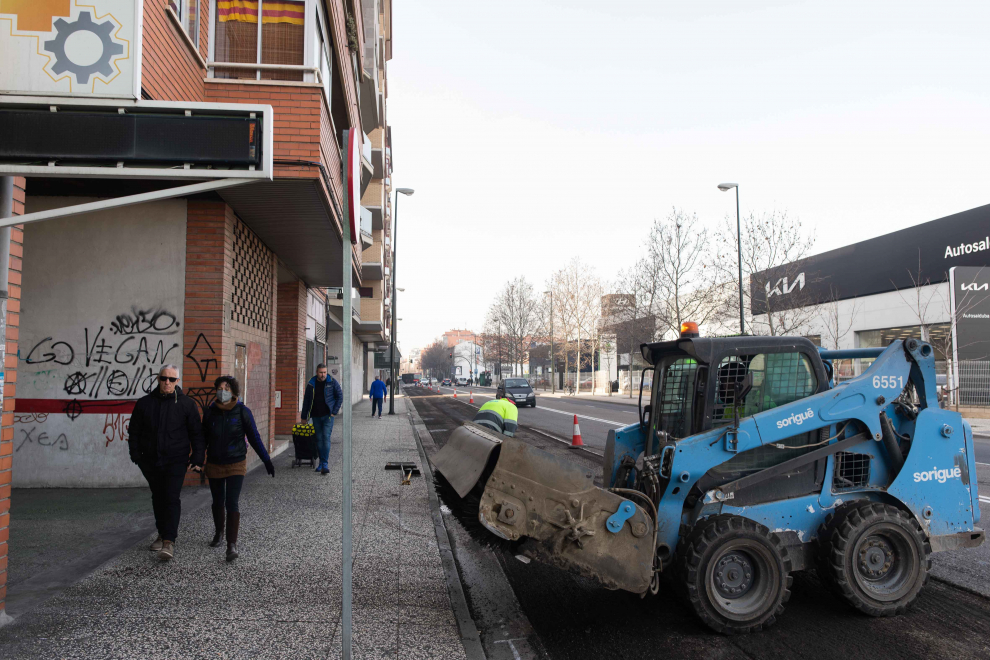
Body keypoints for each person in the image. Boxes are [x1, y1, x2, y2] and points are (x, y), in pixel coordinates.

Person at [128, 364, 205, 561]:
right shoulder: (145, 403)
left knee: (171, 497)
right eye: (164, 378)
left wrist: (197, 457)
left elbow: (196, 433)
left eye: (172, 379)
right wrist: (136, 455)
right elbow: (134, 430)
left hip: (176, 461)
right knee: (158, 497)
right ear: (158, 379)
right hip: (150, 460)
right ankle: (162, 533)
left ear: (178, 382)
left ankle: (169, 541)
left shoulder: (187, 404)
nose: (167, 383)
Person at [202, 375, 275, 562]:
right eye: (219, 388)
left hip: (236, 463)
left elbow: (254, 437)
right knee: (217, 500)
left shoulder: (243, 411)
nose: (222, 391)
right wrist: (197, 459)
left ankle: (231, 545)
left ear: (234, 391)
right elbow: (202, 438)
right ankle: (219, 532)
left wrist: (266, 460)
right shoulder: (210, 412)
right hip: (215, 463)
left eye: (226, 388)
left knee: (231, 502)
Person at [301, 363, 343, 475]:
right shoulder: (311, 383)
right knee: (319, 440)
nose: (323, 375)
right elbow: (306, 401)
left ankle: (325, 463)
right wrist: (303, 417)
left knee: (326, 438)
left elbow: (340, 396)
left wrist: (334, 412)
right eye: (321, 372)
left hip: (328, 416)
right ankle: (321, 463)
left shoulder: (332, 382)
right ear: (317, 372)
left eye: (324, 372)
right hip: (315, 416)